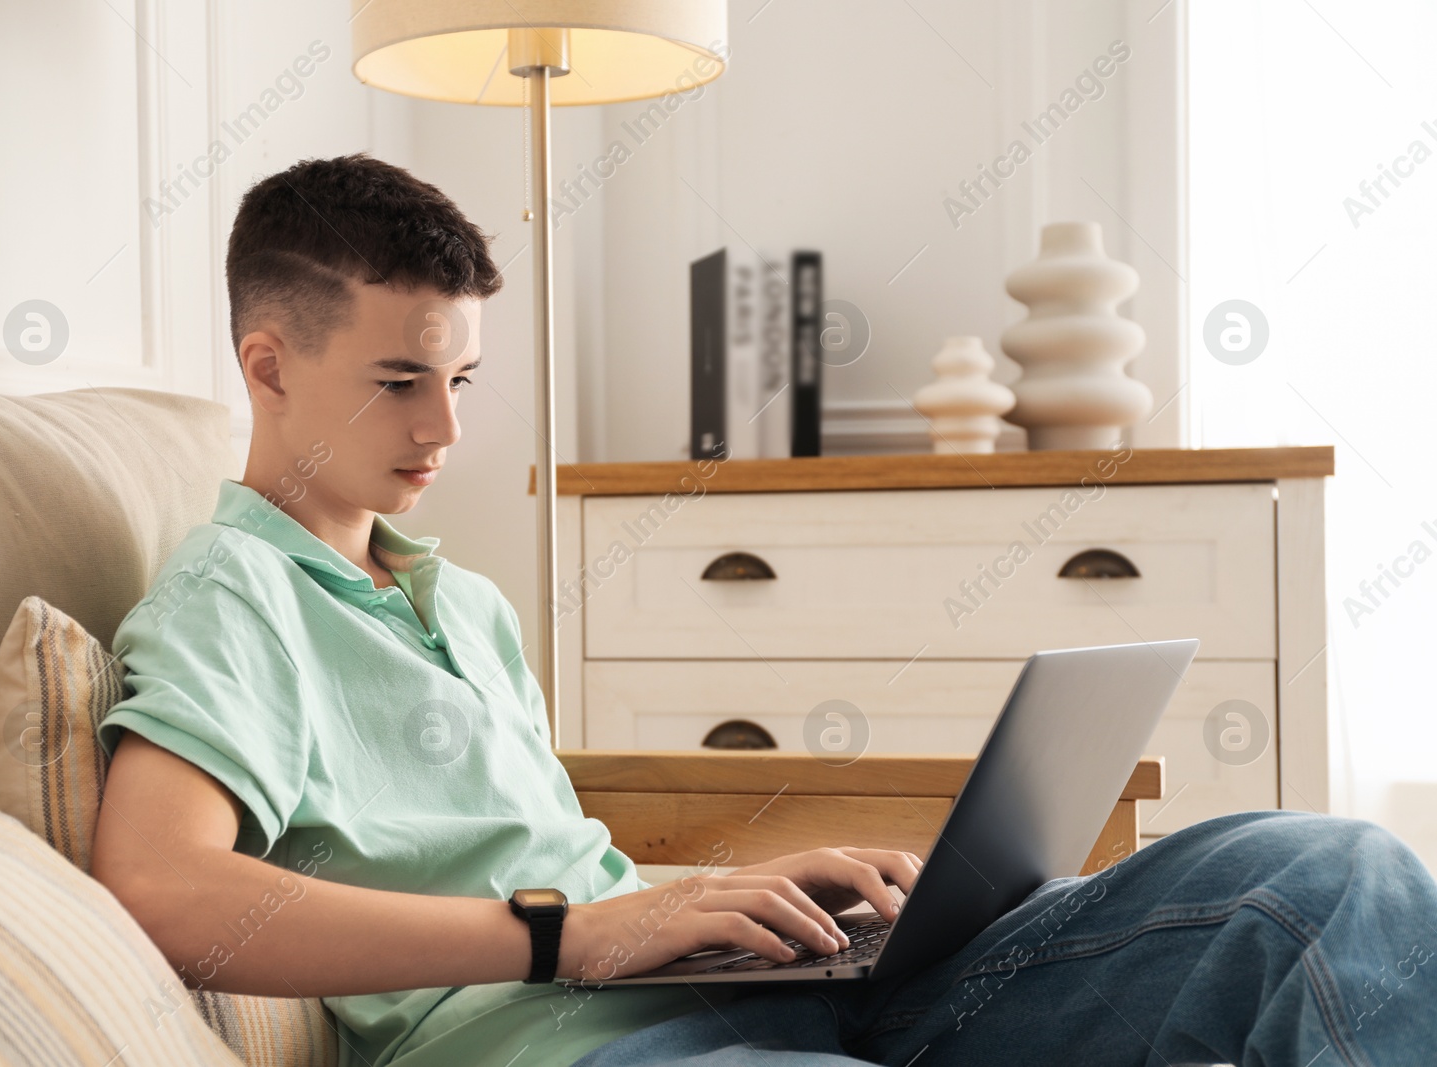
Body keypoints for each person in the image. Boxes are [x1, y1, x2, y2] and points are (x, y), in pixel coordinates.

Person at [91, 154, 1437, 1067]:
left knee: (1333, 878)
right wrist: (577, 935)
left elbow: (545, 854)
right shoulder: (235, 599)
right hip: (571, 1045)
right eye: (399, 380)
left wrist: (722, 895)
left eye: (462, 378)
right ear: (269, 366)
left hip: (729, 992)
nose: (446, 426)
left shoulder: (466, 602)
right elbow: (159, 888)